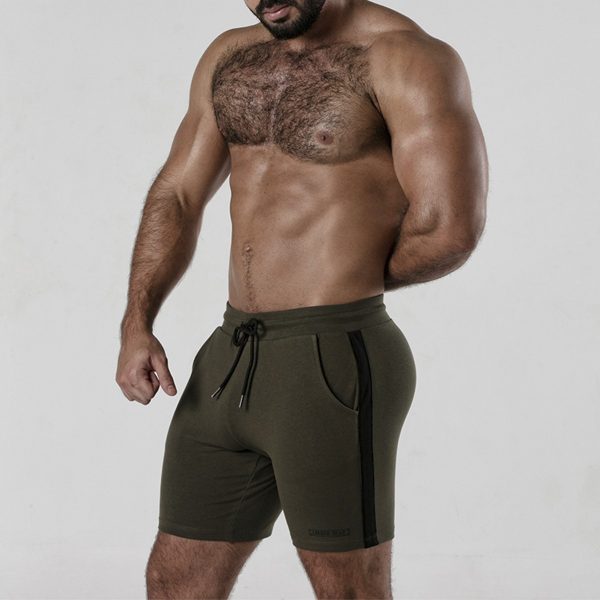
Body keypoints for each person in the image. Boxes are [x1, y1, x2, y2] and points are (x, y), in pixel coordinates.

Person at [115, 0, 488, 597]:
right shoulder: (230, 56)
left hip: (333, 359)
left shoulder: (405, 58)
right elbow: (179, 193)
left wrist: (340, 278)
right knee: (173, 582)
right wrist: (137, 322)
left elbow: (449, 227)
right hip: (230, 356)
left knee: (348, 590)